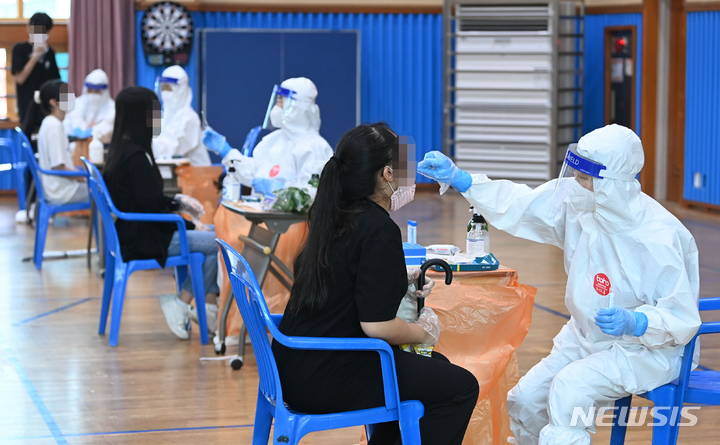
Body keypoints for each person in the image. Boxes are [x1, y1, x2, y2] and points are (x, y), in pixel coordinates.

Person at [417, 124, 701, 445]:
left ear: (612, 182)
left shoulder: (658, 237)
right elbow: (521, 203)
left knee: (569, 391)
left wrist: (638, 322)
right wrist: (464, 180)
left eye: (584, 178)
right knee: (526, 399)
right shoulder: (583, 204)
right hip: (584, 338)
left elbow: (682, 317)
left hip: (646, 350)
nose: (574, 185)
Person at [272, 122, 479, 445]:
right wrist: (424, 330)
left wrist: (398, 282)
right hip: (327, 374)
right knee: (460, 386)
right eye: (404, 165)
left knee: (434, 367)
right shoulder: (378, 228)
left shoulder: (337, 215)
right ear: (386, 174)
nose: (410, 174)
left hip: (294, 363)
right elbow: (377, 326)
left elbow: (347, 283)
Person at [103, 86, 219, 340]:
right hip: (145, 237)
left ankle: (209, 311)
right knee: (217, 243)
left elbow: (147, 199)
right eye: (154, 112)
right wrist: (188, 225)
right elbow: (153, 209)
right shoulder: (135, 158)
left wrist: (179, 202)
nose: (159, 118)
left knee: (212, 235)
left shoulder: (122, 150)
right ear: (140, 116)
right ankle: (182, 302)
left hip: (134, 230)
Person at [202, 77, 333, 194]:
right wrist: (226, 151)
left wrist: (279, 190)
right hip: (264, 216)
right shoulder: (273, 140)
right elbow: (253, 173)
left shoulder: (314, 147)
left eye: (281, 102)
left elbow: (312, 195)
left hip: (295, 222)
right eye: (276, 102)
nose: (276, 107)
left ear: (297, 107)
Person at [27, 79, 88, 205]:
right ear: (53, 102)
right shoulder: (53, 126)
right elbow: (58, 166)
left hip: (59, 187)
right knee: (104, 191)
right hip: (61, 191)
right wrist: (84, 178)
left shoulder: (51, 122)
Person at [151, 65, 210, 166]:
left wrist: (144, 143)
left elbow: (171, 150)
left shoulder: (190, 119)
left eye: (169, 88)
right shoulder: (165, 118)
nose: (165, 93)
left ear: (181, 90)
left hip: (197, 178)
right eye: (163, 88)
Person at [12, 12, 61, 127]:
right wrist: (35, 56)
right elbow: (20, 79)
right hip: (26, 107)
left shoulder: (50, 53)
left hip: (47, 109)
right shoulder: (19, 49)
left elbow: (55, 82)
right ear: (29, 28)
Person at [64, 69, 115, 144]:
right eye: (90, 91)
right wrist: (78, 129)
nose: (93, 95)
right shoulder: (76, 103)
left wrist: (92, 131)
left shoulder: (112, 108)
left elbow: (107, 128)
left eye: (97, 92)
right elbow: (70, 122)